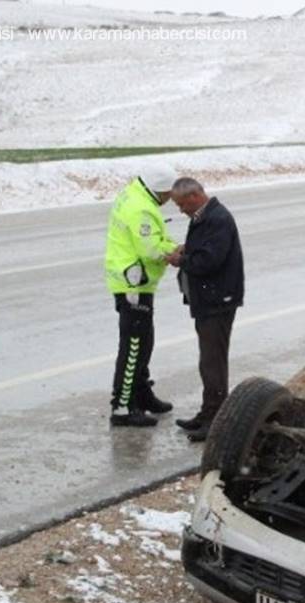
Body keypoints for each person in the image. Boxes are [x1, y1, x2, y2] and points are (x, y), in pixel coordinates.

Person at [167, 177, 244, 441]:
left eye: (180, 204)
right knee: (208, 361)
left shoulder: (217, 218)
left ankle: (216, 421)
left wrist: (181, 259)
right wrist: (189, 248)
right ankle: (208, 413)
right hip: (209, 300)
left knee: (213, 363)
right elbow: (207, 249)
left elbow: (210, 261)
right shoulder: (206, 216)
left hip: (217, 301)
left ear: (194, 196)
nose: (180, 210)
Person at [103, 167, 181, 427]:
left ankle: (142, 393)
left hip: (134, 281)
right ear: (160, 190)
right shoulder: (142, 209)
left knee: (145, 341)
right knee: (134, 346)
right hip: (133, 285)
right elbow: (149, 248)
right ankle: (123, 407)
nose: (170, 199)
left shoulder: (134, 194)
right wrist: (176, 252)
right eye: (169, 195)